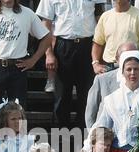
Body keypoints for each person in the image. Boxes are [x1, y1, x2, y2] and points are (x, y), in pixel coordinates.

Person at [36, 0, 105, 128]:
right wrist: (49, 53)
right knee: (61, 97)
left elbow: (101, 19)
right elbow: (46, 24)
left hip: (88, 46)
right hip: (63, 46)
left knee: (86, 96)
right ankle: (61, 138)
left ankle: (85, 138)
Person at [0, 0, 51, 109]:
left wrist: (33, 60)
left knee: (19, 110)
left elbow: (47, 37)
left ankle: (20, 127)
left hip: (18, 68)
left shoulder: (28, 13)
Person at [85, 42, 139, 128]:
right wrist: (94, 136)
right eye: (125, 56)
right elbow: (90, 113)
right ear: (117, 59)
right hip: (105, 135)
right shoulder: (102, 80)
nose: (130, 58)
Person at [91, 0, 139, 75]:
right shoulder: (105, 16)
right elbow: (97, 43)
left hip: (132, 70)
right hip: (109, 68)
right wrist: (95, 63)